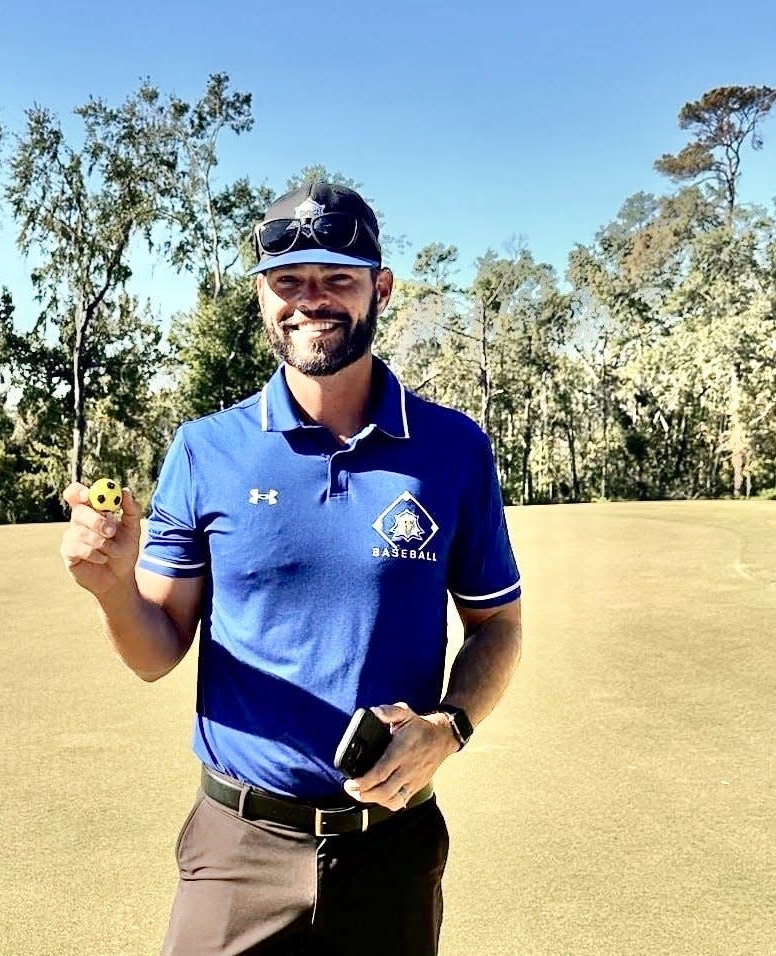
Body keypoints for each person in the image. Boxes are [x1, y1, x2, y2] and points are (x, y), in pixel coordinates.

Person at [60, 181, 523, 955]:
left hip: (392, 847)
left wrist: (451, 726)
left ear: (380, 289)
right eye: (288, 282)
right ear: (262, 298)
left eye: (338, 278)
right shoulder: (207, 449)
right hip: (237, 851)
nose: (311, 300)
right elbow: (156, 650)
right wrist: (112, 588)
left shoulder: (453, 450)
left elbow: (497, 626)